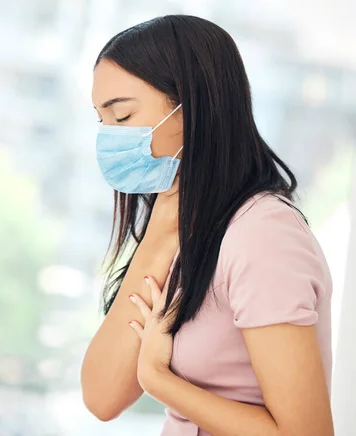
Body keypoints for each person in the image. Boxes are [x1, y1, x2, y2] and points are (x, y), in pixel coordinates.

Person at [81, 15, 334, 436]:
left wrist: (161, 381)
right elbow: (101, 396)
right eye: (101, 121)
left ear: (191, 109)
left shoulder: (262, 234)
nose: (109, 138)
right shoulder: (182, 227)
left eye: (122, 117)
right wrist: (162, 231)